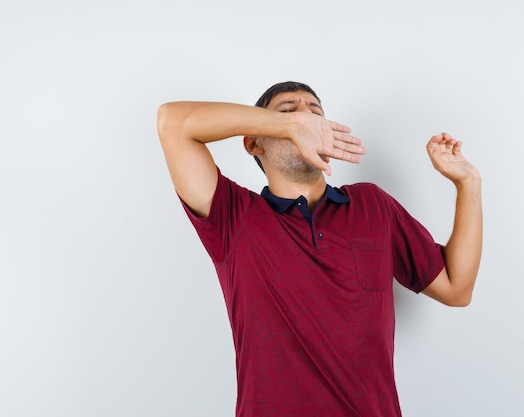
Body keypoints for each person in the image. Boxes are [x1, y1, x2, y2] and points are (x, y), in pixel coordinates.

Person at [157, 81, 482, 417]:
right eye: (287, 111)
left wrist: (468, 183)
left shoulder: (372, 205)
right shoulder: (233, 216)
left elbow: (457, 288)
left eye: (316, 114)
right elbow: (172, 122)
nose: (306, 119)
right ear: (254, 141)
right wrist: (292, 126)